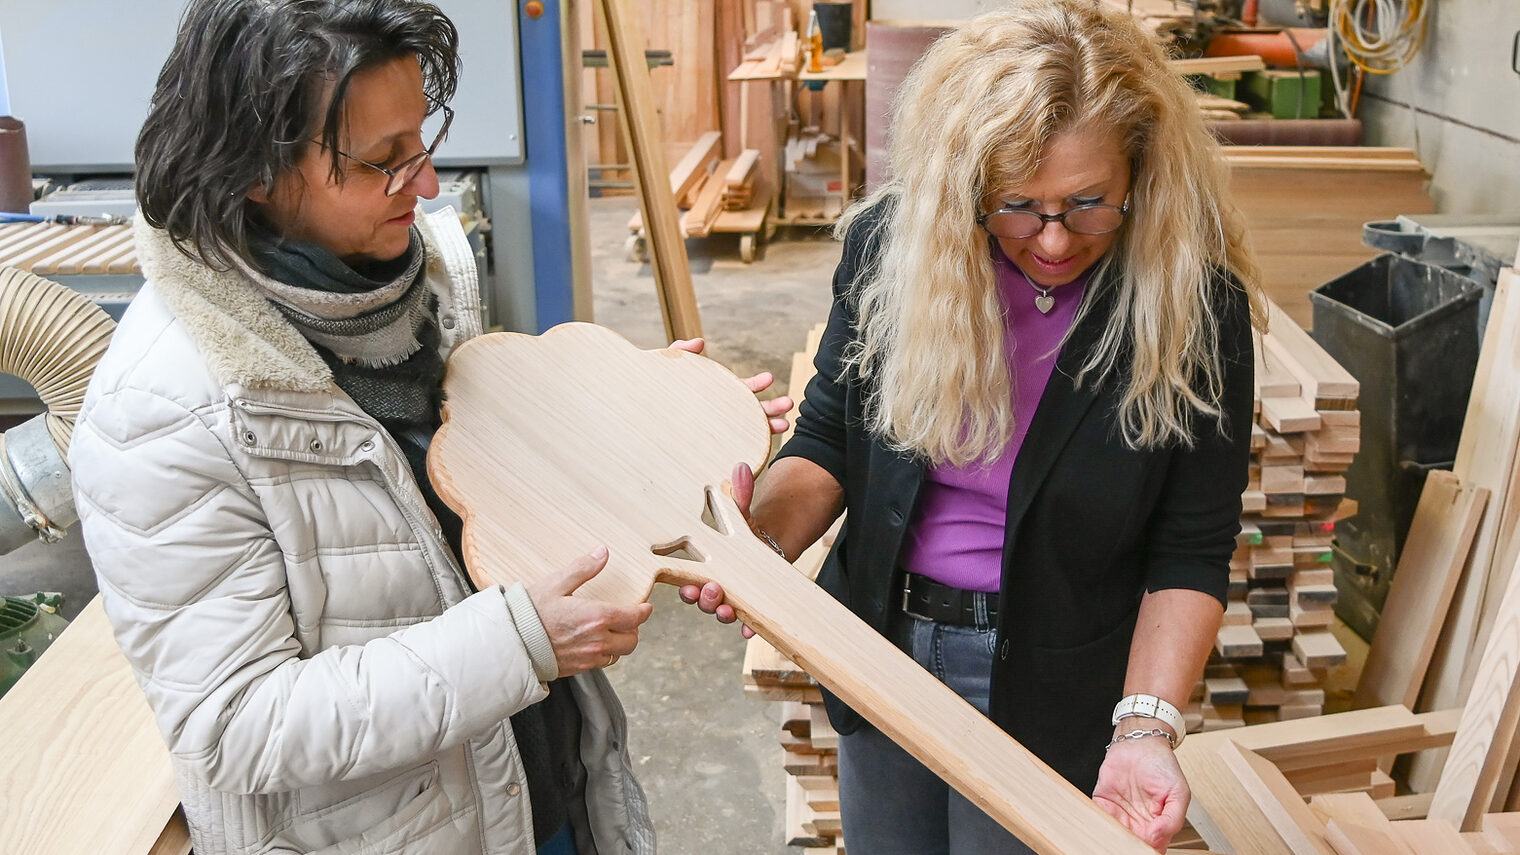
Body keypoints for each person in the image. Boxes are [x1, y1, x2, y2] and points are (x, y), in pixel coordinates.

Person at [67, 1, 783, 853]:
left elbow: (468, 488)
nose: (430, 184)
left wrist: (632, 416)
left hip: (534, 791)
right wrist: (517, 644)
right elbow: (233, 725)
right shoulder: (166, 407)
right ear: (254, 170)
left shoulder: (421, 279)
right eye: (382, 162)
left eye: (423, 143)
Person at [735, 2, 1267, 852]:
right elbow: (830, 439)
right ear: (966, 185)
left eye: (1090, 205)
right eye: (1018, 206)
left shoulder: (1193, 309)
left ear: (1141, 177)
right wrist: (751, 535)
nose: (1053, 240)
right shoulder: (893, 251)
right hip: (885, 651)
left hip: (1056, 674)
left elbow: (1190, 546)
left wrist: (1145, 728)